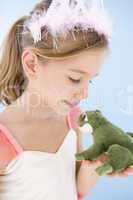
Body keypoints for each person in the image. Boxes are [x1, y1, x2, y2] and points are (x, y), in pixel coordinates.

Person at [0, 0, 133, 199]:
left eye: (91, 81)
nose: (85, 93)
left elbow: (73, 191)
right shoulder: (4, 138)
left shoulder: (72, 118)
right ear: (32, 65)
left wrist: (93, 168)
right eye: (75, 79)